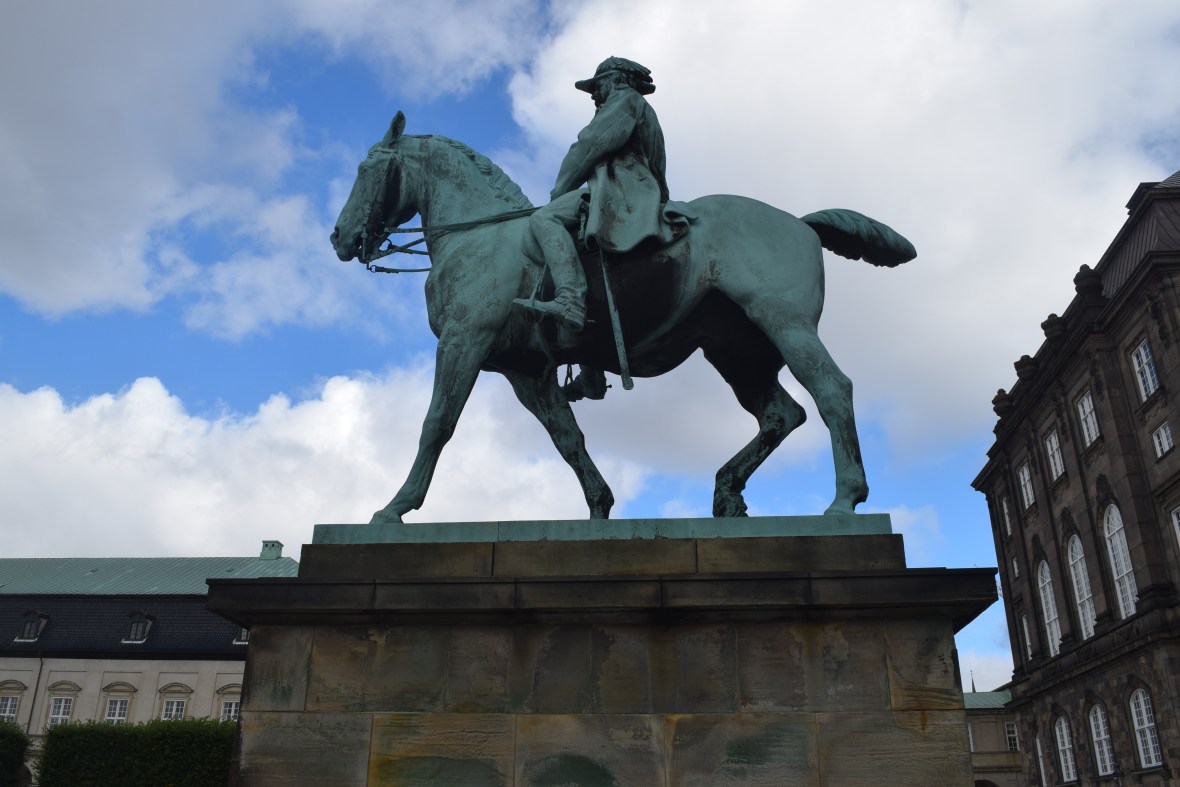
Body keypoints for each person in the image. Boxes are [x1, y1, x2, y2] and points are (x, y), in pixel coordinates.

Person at [516, 56, 672, 401]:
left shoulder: (626, 100)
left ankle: (570, 301)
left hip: (626, 188)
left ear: (614, 80)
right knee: (581, 248)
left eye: (597, 86)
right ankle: (591, 371)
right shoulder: (634, 104)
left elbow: (590, 145)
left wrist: (560, 191)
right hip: (629, 187)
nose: (593, 95)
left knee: (544, 219)